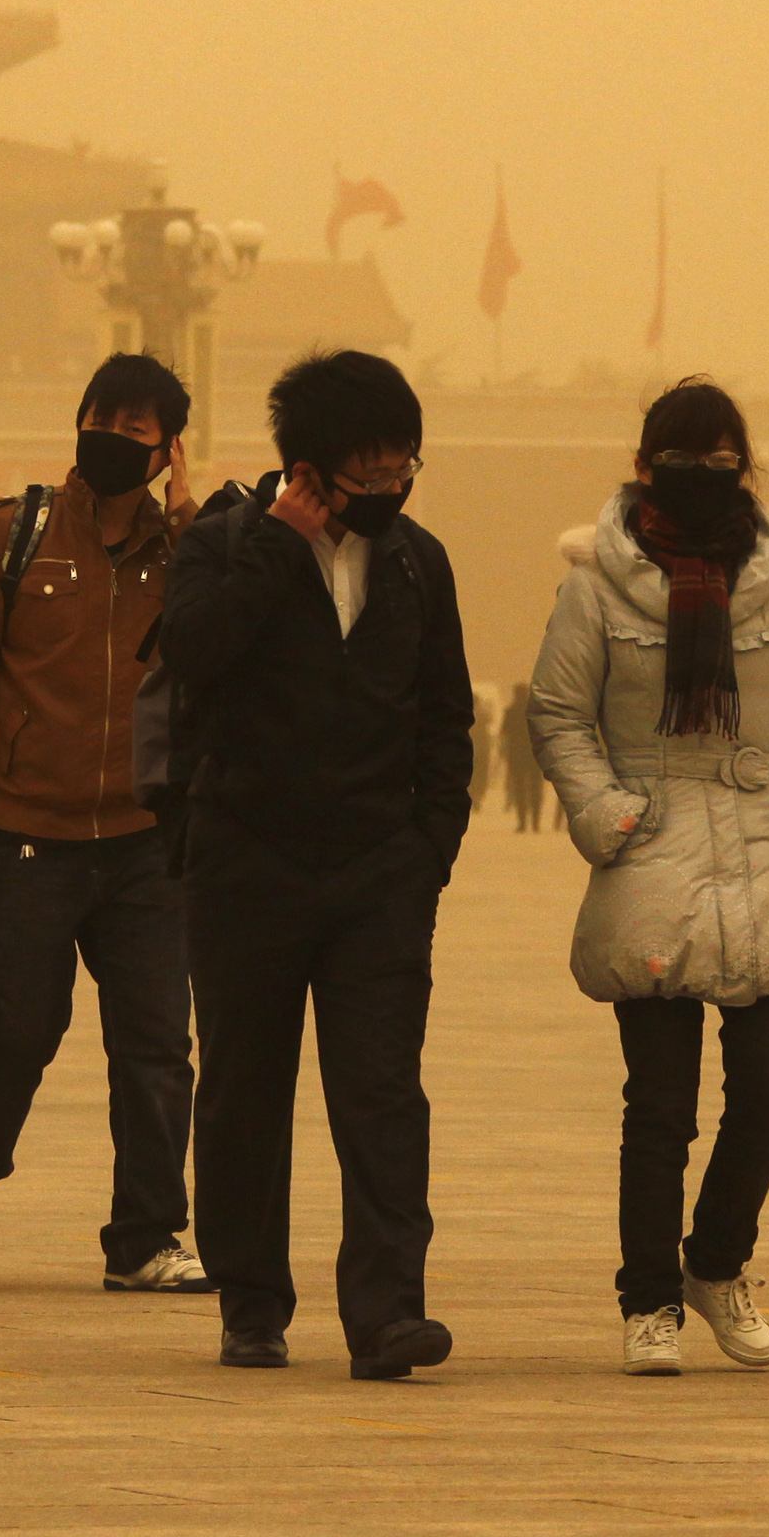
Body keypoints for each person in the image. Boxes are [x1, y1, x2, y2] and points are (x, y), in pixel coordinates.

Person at [161, 349, 472, 1379]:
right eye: (365, 478)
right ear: (305, 469)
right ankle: (251, 1302)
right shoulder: (221, 544)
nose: (386, 494)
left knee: (381, 1093)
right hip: (247, 862)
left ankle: (387, 1312)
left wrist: (428, 849)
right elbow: (194, 654)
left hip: (378, 874)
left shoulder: (419, 562)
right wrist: (274, 551)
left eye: (400, 473)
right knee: (246, 1089)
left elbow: (444, 719)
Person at [529, 379, 769, 1378]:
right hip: (651, 844)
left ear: (743, 470)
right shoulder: (593, 584)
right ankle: (647, 1299)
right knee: (658, 1103)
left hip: (763, 844)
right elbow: (557, 712)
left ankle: (713, 1262)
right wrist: (603, 813)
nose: (704, 477)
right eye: (683, 458)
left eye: (720, 460)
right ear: (642, 466)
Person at [0, 353, 209, 1297]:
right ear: (78, 422)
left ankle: (147, 1236)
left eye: (138, 429)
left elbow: (232, 646)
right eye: (102, 418)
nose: (114, 437)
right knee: (18, 1032)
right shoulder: (13, 534)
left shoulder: (185, 555)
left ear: (168, 453)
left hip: (144, 841)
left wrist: (195, 531)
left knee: (157, 1042)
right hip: (24, 835)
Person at [498, 687, 545, 832]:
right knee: (536, 789)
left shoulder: (510, 711)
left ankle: (522, 822)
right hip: (535, 754)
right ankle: (535, 823)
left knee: (519, 789)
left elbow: (503, 734)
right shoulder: (537, 711)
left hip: (516, 755)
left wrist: (504, 753)